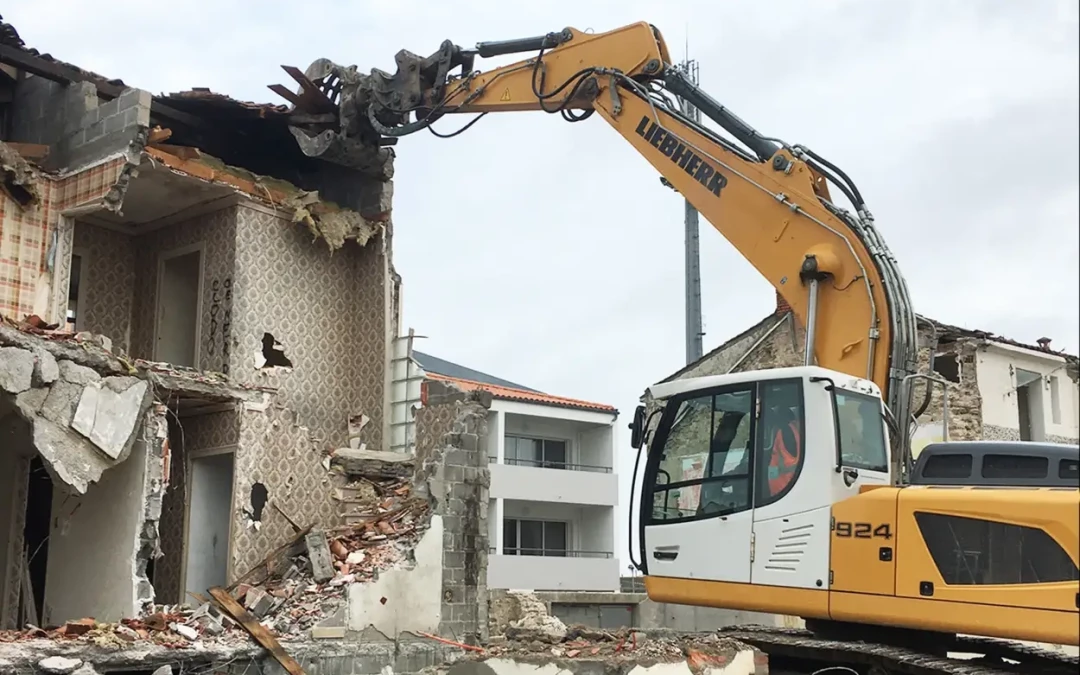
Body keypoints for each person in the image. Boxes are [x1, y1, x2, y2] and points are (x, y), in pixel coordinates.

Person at [762, 385, 802, 498]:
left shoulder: (786, 432)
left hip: (785, 490)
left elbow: (788, 464)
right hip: (783, 490)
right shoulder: (791, 431)